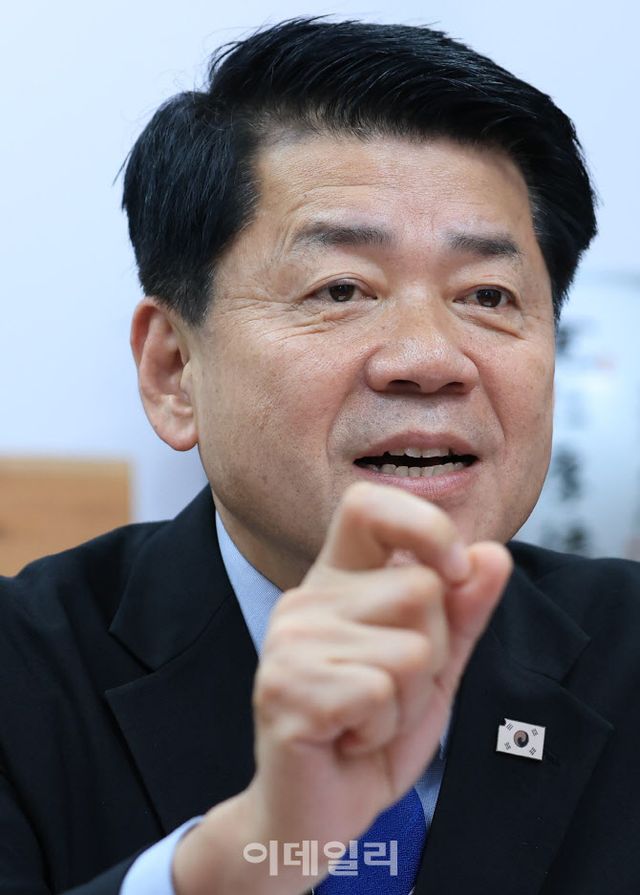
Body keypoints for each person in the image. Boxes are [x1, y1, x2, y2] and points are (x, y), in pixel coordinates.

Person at [1, 16, 639, 895]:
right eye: (341, 288)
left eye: (489, 295)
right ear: (174, 370)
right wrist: (247, 856)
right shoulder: (22, 677)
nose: (430, 358)